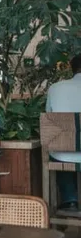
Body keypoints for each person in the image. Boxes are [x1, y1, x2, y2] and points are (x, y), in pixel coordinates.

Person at [45, 54, 81, 210]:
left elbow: (49, 115)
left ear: (72, 69)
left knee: (61, 155)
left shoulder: (55, 88)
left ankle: (70, 199)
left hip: (62, 151)